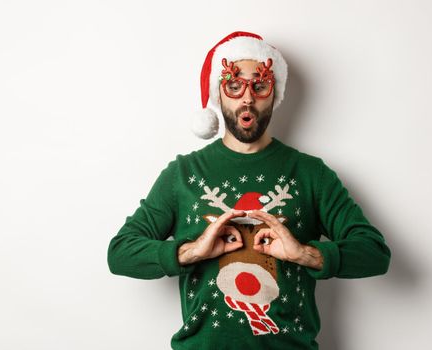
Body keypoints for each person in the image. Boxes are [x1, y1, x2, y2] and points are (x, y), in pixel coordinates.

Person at [107, 31, 391, 350]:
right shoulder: (183, 174)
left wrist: (305, 254)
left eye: (259, 86)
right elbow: (120, 253)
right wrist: (190, 252)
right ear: (220, 93)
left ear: (274, 93)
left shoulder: (312, 174)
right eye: (234, 85)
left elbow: (375, 254)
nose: (246, 98)